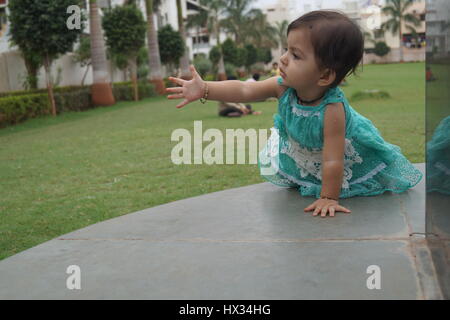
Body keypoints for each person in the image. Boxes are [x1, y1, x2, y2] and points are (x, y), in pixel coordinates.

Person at [166, 10, 423, 218]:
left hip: (341, 159)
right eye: (287, 49)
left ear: (325, 75)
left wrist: (328, 197)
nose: (283, 59)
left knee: (336, 170)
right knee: (310, 168)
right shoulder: (282, 87)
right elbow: (246, 89)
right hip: (308, 153)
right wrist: (206, 89)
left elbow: (333, 161)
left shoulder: (333, 110)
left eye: (296, 55)